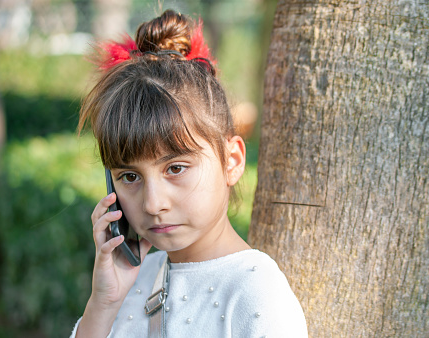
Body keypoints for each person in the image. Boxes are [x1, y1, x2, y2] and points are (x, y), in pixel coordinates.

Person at [71, 9, 308, 338]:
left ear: (232, 160)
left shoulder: (256, 293)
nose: (153, 204)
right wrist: (103, 303)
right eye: (129, 176)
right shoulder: (131, 279)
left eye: (176, 168)